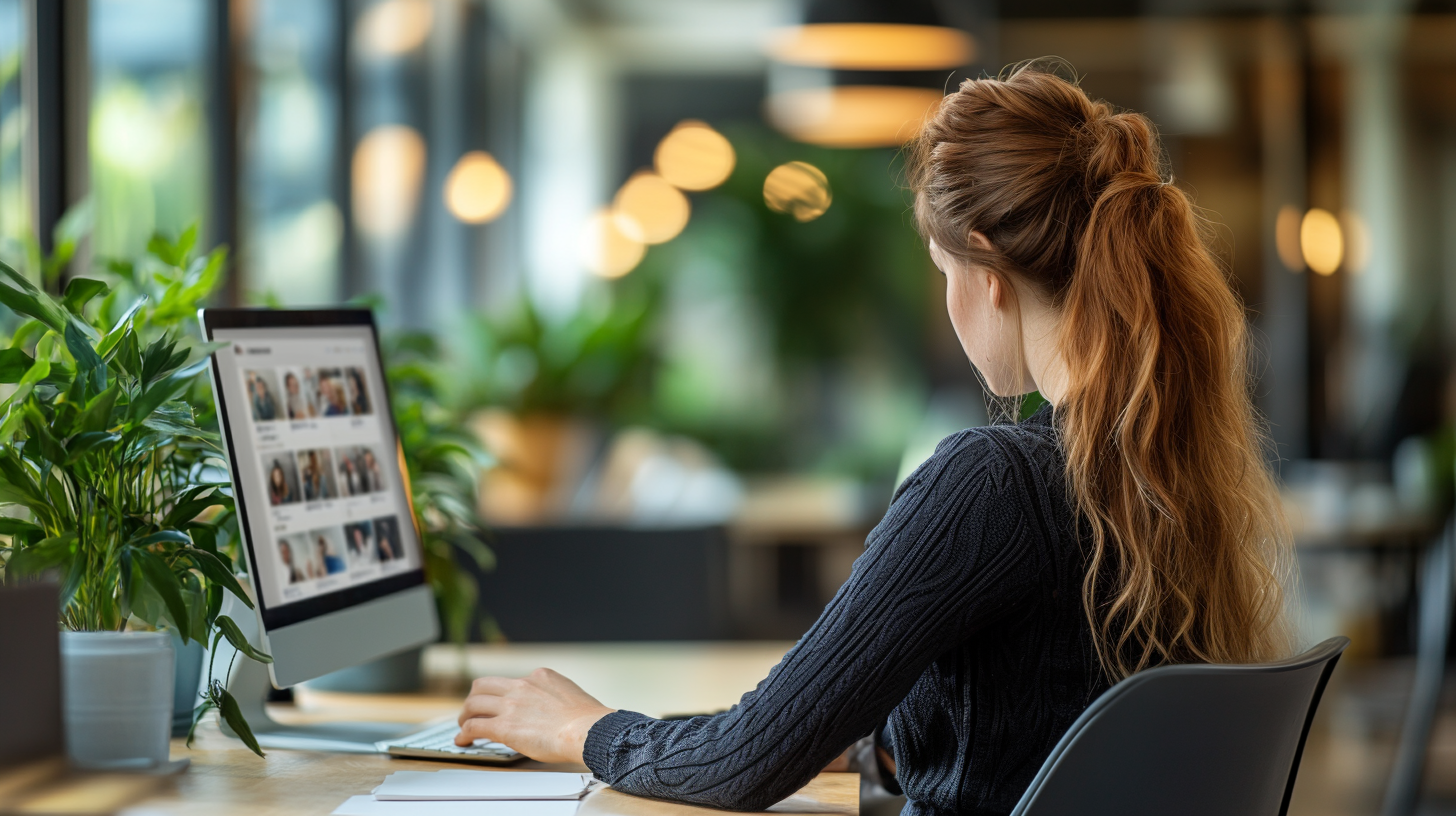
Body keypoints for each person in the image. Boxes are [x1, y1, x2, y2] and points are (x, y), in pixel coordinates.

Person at [450, 63, 1294, 816]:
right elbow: (1038, 715)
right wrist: (844, 736)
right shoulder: (1161, 468)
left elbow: (746, 770)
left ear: (987, 271)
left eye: (942, 274)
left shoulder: (994, 482)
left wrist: (586, 728)